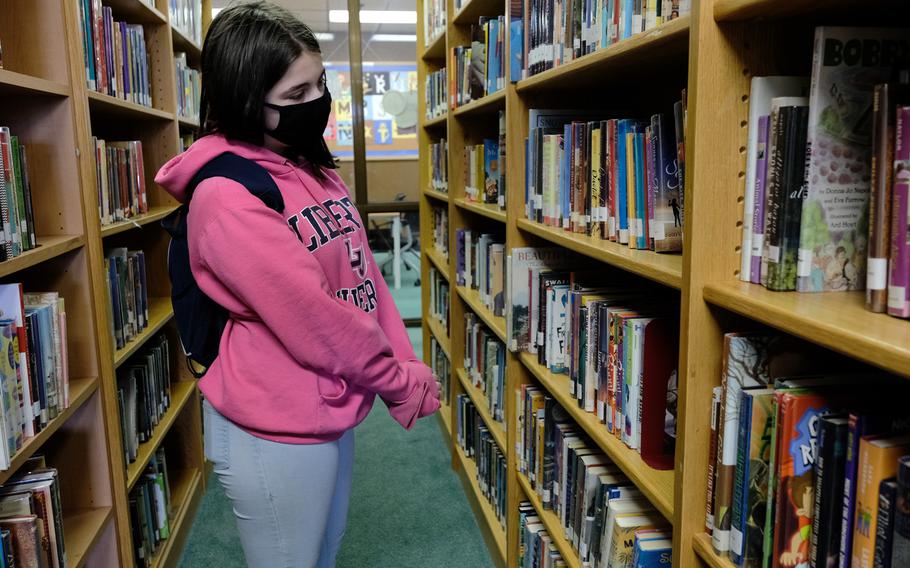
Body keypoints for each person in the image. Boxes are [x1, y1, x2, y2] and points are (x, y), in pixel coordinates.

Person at [155, 3, 440, 567]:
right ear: (243, 101)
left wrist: (404, 365)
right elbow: (314, 317)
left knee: (323, 554)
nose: (316, 104)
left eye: (320, 84)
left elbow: (365, 280)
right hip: (276, 426)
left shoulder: (315, 169)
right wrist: (396, 382)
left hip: (331, 403)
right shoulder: (226, 199)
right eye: (293, 96)